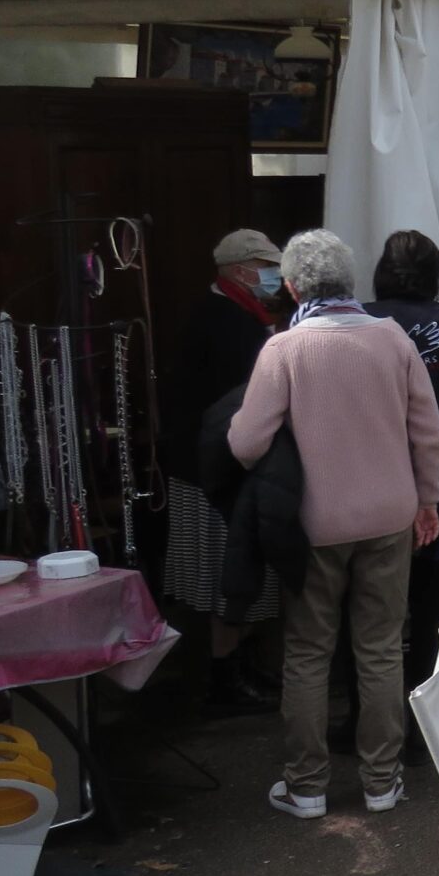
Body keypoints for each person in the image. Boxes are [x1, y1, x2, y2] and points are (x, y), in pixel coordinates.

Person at [229, 229, 439, 820]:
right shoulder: (392, 339)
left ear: (293, 286)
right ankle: (381, 782)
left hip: (315, 525)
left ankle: (307, 787)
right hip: (390, 515)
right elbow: (428, 431)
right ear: (350, 283)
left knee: (307, 652)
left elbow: (246, 442)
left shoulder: (284, 350)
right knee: (379, 649)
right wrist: (428, 499)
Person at [161, 229, 287, 709]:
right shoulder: (226, 322)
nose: (272, 276)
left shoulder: (241, 315)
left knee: (236, 574)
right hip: (212, 474)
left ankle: (238, 666)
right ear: (240, 271)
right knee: (226, 574)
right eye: (265, 265)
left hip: (216, 466)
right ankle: (225, 677)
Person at [367, 230, 439, 689]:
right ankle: (424, 721)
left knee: (371, 608)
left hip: (374, 484)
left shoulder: (361, 320)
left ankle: (367, 713)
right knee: (429, 605)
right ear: (435, 273)